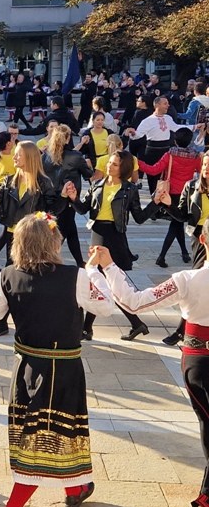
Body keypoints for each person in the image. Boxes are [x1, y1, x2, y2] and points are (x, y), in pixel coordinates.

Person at [0, 213, 116, 507]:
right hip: (63, 370)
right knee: (42, 442)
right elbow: (106, 306)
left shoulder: (8, 275)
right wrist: (93, 271)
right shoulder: (75, 276)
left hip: (27, 367)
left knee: (48, 433)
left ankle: (75, 489)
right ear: (52, 242)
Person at [91, 229, 209, 507]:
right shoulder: (188, 279)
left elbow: (135, 302)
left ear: (203, 241)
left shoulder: (188, 280)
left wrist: (108, 266)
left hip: (198, 362)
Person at [0, 141, 66, 336]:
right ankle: (3, 321)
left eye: (18, 155)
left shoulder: (43, 183)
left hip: (34, 237)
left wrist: (63, 197)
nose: (14, 157)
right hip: (13, 236)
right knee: (11, 277)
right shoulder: (8, 180)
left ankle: (23, 319)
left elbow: (52, 210)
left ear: (29, 157)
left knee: (32, 279)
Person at [63, 150, 158, 340]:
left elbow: (139, 217)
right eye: (109, 163)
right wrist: (73, 198)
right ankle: (133, 324)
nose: (109, 166)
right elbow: (83, 208)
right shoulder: (97, 184)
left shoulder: (129, 189)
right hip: (97, 234)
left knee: (105, 284)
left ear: (123, 169)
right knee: (101, 283)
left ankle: (88, 328)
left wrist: (155, 203)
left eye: (114, 164)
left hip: (115, 237)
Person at [157, 151, 209, 345]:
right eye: (204, 165)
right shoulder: (192, 186)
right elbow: (182, 216)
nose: (206, 169)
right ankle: (181, 331)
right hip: (201, 240)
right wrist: (169, 205)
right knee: (197, 282)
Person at [138, 127, 203, 267]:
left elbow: (153, 169)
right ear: (190, 141)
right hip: (186, 195)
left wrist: (137, 162)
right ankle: (184, 252)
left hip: (170, 194)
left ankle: (162, 256)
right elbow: (200, 172)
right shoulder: (196, 156)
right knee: (177, 223)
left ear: (175, 140)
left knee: (176, 224)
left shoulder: (170, 155)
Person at [127, 96, 200, 194]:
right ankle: (155, 201)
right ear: (157, 105)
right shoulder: (148, 120)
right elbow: (138, 134)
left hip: (166, 150)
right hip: (152, 151)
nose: (168, 105)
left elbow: (176, 127)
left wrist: (194, 126)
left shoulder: (168, 118)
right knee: (153, 180)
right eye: (165, 103)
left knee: (166, 177)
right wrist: (133, 133)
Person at [43, 125, 92, 267]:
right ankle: (49, 260)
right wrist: (88, 165)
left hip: (50, 198)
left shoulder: (46, 156)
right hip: (68, 198)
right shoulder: (75, 156)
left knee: (69, 230)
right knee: (64, 230)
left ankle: (78, 261)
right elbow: (88, 175)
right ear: (67, 138)